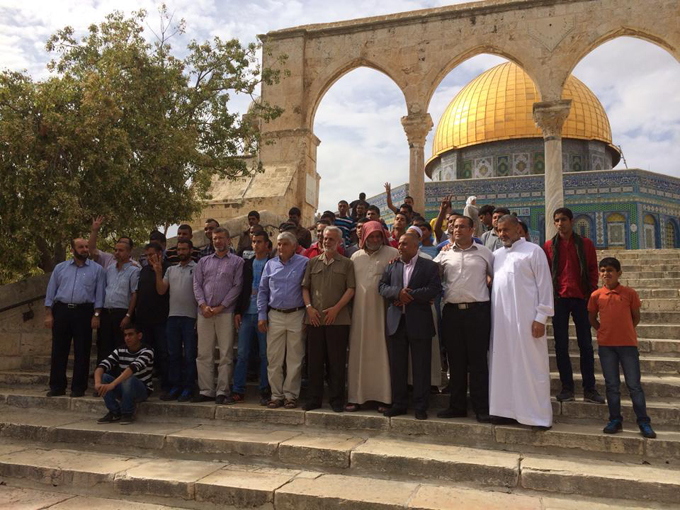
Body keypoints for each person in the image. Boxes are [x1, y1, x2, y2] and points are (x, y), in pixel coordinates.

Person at [489, 214, 554, 429]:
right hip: (502, 323)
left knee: (531, 366)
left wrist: (541, 317)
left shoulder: (534, 252)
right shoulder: (496, 255)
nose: (502, 234)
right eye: (499, 230)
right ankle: (504, 411)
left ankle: (536, 415)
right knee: (503, 365)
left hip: (527, 321)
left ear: (519, 229)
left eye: (506, 229)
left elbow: (545, 286)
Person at [588, 257, 656, 439]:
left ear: (619, 272)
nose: (606, 274)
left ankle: (643, 421)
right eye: (602, 270)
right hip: (606, 346)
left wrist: (625, 331)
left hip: (627, 345)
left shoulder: (629, 293)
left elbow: (636, 316)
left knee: (634, 385)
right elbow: (592, 317)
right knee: (612, 385)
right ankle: (615, 419)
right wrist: (602, 331)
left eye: (610, 270)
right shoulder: (596, 295)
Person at [434, 217, 494, 422]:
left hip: (478, 312)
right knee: (455, 361)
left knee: (478, 362)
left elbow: (497, 277)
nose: (457, 229)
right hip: (452, 313)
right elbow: (429, 273)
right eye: (455, 226)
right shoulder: (444, 254)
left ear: (472, 229)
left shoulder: (485, 253)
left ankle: (481, 407)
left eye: (462, 226)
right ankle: (457, 406)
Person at [543, 207, 604, 404]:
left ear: (572, 221)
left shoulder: (585, 244)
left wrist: (590, 292)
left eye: (563, 220)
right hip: (559, 299)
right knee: (560, 345)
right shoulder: (549, 246)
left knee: (585, 344)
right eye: (557, 220)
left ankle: (590, 388)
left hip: (580, 297)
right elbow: (545, 272)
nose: (560, 223)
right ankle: (567, 387)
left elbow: (593, 269)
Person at [379, 233, 441, 420]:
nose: (400, 246)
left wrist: (409, 296)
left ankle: (421, 405)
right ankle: (399, 403)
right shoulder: (393, 265)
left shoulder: (429, 266)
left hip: (419, 322)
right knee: (397, 366)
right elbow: (381, 287)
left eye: (405, 244)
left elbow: (434, 288)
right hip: (397, 322)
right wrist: (397, 293)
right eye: (399, 243)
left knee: (421, 366)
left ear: (416, 246)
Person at [346, 221, 399, 412]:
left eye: (378, 236)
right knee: (358, 353)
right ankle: (356, 397)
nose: (375, 240)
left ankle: (383, 397)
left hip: (382, 313)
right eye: (371, 236)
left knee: (382, 353)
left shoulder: (392, 254)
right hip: (359, 315)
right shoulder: (355, 257)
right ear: (364, 237)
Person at [302, 226, 356, 412]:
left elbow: (351, 289)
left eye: (331, 239)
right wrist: (309, 308)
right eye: (325, 238)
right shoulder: (312, 262)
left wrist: (336, 309)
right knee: (314, 362)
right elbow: (305, 288)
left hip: (338, 320)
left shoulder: (347, 264)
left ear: (339, 242)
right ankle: (313, 400)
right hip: (315, 320)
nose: (327, 241)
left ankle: (336, 400)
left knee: (337, 362)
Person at [44, 238, 105, 398]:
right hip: (62, 310)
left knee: (82, 350)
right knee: (58, 350)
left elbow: (100, 295)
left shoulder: (97, 270)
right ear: (73, 250)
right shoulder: (60, 268)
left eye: (86, 246)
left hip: (84, 312)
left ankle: (78, 388)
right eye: (81, 247)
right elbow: (51, 291)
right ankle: (57, 386)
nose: (85, 249)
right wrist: (49, 314)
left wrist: (96, 315)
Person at [192, 227, 244, 404]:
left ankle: (223, 390)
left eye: (221, 238)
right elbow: (197, 285)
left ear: (229, 240)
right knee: (204, 353)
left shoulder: (238, 262)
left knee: (226, 354)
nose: (218, 241)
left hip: (225, 313)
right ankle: (206, 390)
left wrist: (222, 306)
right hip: (204, 313)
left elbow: (237, 286)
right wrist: (203, 305)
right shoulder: (203, 262)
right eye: (215, 238)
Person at [257, 232, 309, 409]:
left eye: (285, 244)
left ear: (294, 246)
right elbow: (262, 291)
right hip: (275, 315)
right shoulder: (270, 265)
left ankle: (291, 396)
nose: (281, 247)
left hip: (297, 314)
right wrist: (262, 315)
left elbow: (308, 288)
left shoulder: (304, 263)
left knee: (295, 358)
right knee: (274, 358)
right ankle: (276, 395)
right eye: (279, 244)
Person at [151, 239, 198, 402]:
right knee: (173, 355)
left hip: (190, 317)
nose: (181, 252)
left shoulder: (197, 268)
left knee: (190, 355)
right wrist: (157, 272)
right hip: (173, 317)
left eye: (184, 249)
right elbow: (161, 290)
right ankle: (175, 386)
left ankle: (188, 387)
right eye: (179, 249)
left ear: (191, 250)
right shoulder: (171, 270)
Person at [231, 230, 272, 405]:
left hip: (265, 314)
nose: (256, 245)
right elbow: (241, 288)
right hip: (247, 313)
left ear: (267, 245)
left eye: (260, 242)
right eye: (254, 242)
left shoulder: (272, 263)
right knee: (242, 354)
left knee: (265, 354)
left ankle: (265, 389)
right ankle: (238, 389)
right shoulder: (247, 264)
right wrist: (238, 311)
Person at [95, 324, 153, 425]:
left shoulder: (147, 351)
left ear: (139, 336)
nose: (127, 338)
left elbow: (131, 369)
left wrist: (112, 384)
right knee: (104, 377)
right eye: (125, 335)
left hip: (141, 389)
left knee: (129, 377)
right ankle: (114, 412)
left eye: (130, 335)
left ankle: (127, 413)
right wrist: (97, 383)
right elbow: (102, 366)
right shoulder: (120, 350)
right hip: (124, 387)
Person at [97, 239, 140, 368]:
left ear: (128, 252)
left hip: (122, 312)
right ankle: (103, 375)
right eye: (115, 250)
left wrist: (128, 315)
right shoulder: (109, 269)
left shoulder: (134, 270)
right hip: (106, 312)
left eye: (121, 250)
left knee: (120, 346)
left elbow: (134, 294)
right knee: (104, 345)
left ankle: (118, 378)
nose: (117, 253)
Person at [135, 242, 170, 397]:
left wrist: (158, 272)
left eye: (152, 254)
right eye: (146, 255)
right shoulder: (143, 271)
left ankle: (167, 386)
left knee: (163, 353)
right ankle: (144, 385)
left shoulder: (169, 269)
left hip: (162, 319)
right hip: (144, 319)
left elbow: (162, 291)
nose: (149, 258)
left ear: (160, 254)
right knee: (144, 353)